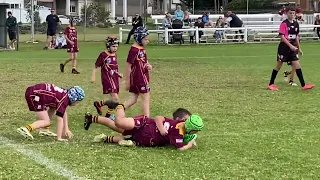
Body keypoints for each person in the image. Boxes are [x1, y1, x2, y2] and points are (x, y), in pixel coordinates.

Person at [85, 101, 203, 150]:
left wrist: (190, 140)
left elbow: (182, 139)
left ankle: (91, 119)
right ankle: (118, 105)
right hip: (144, 124)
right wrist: (190, 144)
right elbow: (158, 118)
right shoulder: (177, 126)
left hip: (144, 138)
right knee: (118, 122)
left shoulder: (180, 131)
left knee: (116, 128)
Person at [17, 83, 85, 141]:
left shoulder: (64, 95)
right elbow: (60, 119)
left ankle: (44, 130)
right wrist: (59, 137)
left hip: (35, 93)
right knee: (46, 121)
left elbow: (64, 112)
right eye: (78, 102)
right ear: (74, 99)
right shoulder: (64, 99)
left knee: (53, 107)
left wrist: (66, 129)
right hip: (34, 96)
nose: (76, 104)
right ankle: (26, 129)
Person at [267, 7, 314, 91]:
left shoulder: (296, 24)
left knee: (297, 65)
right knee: (279, 65)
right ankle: (271, 84)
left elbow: (296, 37)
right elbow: (282, 37)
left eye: (293, 13)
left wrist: (299, 48)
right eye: (290, 13)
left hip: (292, 48)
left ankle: (303, 85)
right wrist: (290, 46)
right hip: (283, 48)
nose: (292, 15)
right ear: (286, 14)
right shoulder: (284, 24)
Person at [91, 36, 122, 120]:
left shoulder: (115, 55)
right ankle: (108, 116)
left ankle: (99, 104)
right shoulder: (103, 55)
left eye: (116, 46)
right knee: (116, 98)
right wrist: (93, 76)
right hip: (107, 79)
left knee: (114, 100)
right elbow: (96, 66)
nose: (115, 48)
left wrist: (118, 74)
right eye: (113, 46)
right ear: (108, 46)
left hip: (114, 79)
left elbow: (113, 67)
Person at [124, 26, 152, 117]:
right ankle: (147, 120)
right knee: (146, 97)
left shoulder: (141, 48)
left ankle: (118, 111)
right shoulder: (133, 50)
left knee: (133, 99)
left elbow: (144, 60)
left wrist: (148, 65)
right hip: (139, 78)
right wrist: (127, 81)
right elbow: (128, 65)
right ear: (139, 38)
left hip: (143, 76)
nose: (148, 41)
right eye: (146, 39)